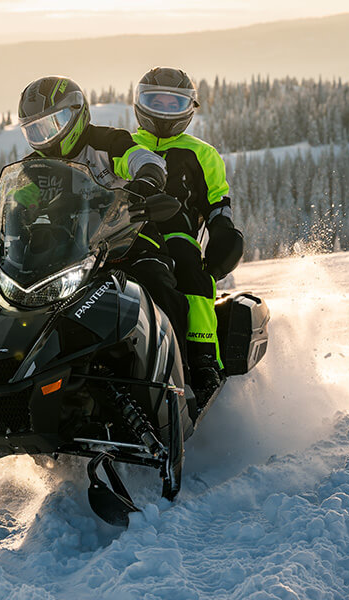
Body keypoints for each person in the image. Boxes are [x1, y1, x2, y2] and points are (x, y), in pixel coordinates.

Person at [17, 75, 190, 368]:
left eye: (52, 124)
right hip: (68, 257)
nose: (45, 136)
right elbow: (19, 202)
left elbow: (142, 159)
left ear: (76, 114)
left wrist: (147, 179)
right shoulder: (35, 168)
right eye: (36, 129)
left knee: (157, 284)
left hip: (129, 243)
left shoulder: (107, 142)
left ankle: (180, 375)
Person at [131, 67, 244, 406]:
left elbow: (216, 201)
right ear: (140, 103)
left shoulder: (201, 153)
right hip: (121, 235)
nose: (164, 109)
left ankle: (202, 358)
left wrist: (223, 232)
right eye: (156, 101)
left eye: (173, 102)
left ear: (188, 107)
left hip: (175, 235)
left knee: (192, 272)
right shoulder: (125, 148)